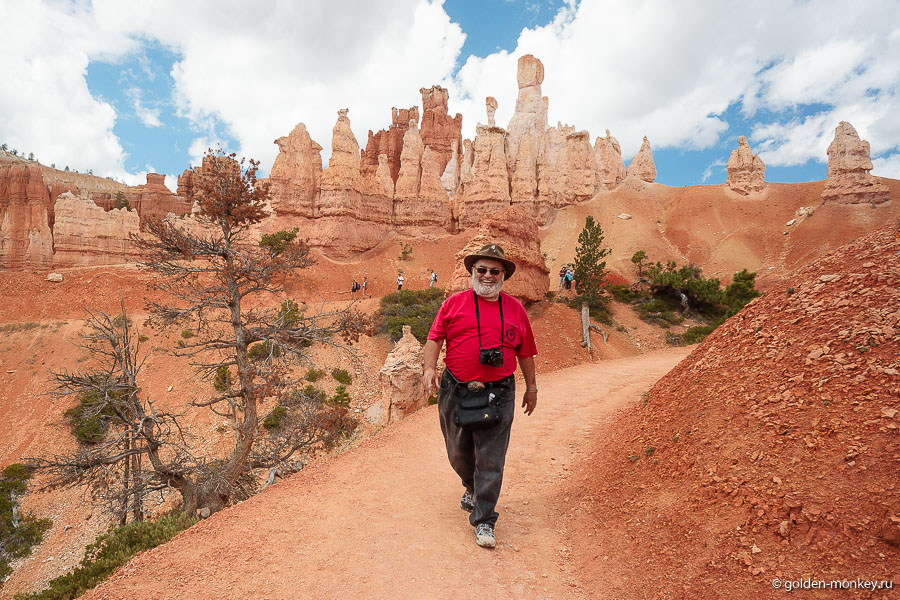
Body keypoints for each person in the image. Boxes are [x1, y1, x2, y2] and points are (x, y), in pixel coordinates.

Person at [423, 243, 538, 549]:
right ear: (472, 273)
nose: (487, 276)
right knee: (458, 453)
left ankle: (484, 518)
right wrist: (428, 369)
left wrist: (532, 387)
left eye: (494, 271)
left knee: (491, 458)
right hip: (455, 388)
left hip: (499, 392)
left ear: (504, 275)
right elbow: (434, 338)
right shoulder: (453, 304)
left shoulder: (516, 310)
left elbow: (525, 353)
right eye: (481, 270)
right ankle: (471, 486)